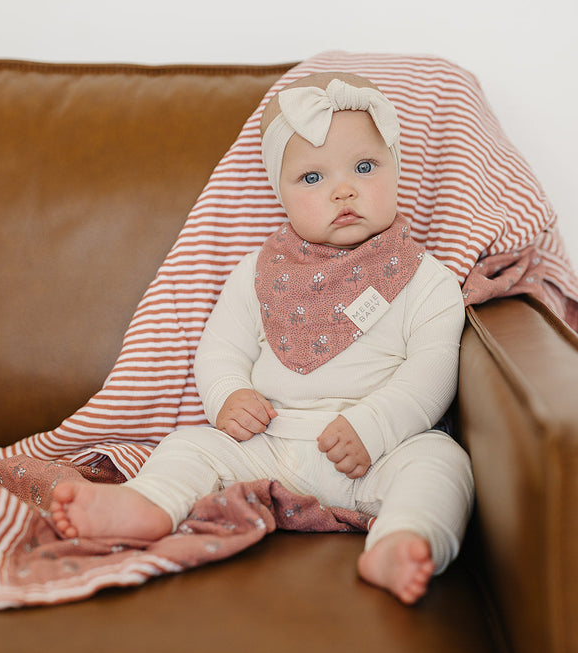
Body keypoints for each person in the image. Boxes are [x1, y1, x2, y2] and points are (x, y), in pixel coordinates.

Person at [51, 71, 474, 605]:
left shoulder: (425, 277)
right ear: (280, 192)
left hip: (374, 454)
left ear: (396, 170)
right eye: (312, 178)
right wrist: (229, 394)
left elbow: (433, 369)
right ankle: (147, 505)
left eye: (365, 167)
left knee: (441, 463)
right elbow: (221, 348)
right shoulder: (258, 272)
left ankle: (403, 541)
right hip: (268, 443)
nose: (344, 189)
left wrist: (378, 425)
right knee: (190, 445)